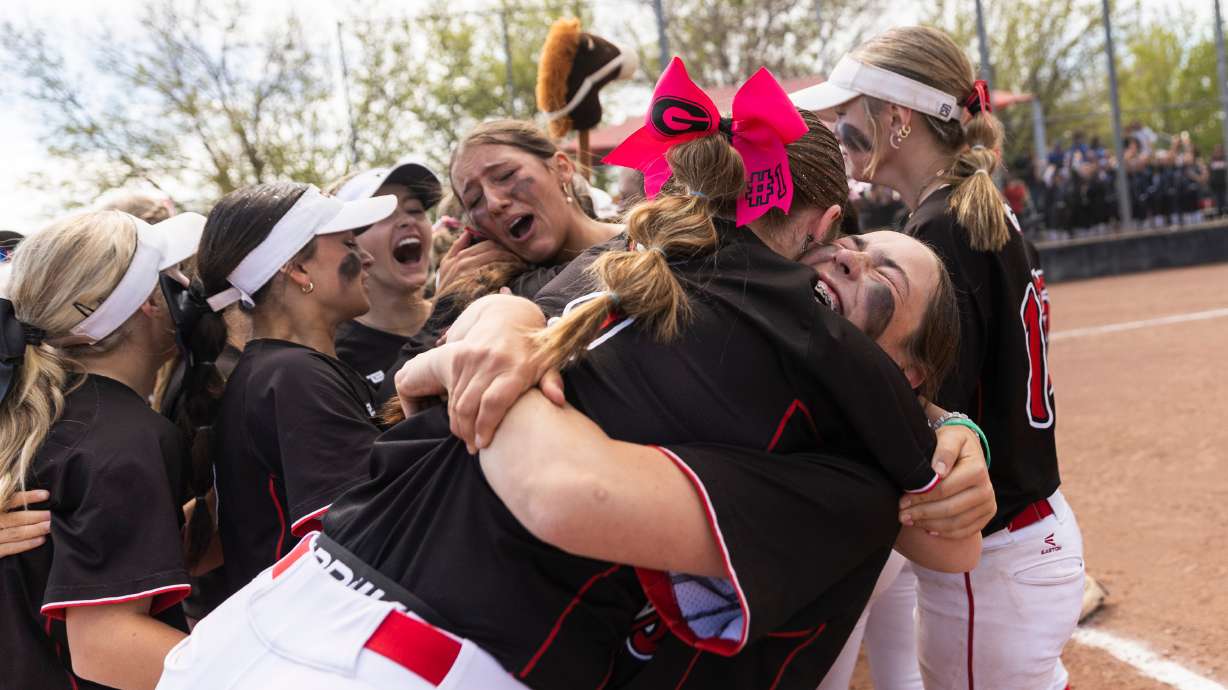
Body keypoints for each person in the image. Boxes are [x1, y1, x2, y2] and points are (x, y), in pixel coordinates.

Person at [157, 61, 994, 690]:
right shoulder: (619, 282)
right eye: (847, 248)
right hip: (379, 640)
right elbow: (426, 391)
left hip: (314, 622)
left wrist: (950, 434)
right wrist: (497, 329)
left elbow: (492, 436)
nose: (842, 267)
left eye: (879, 278)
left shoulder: (776, 370)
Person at [793, 25, 1085, 690]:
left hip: (995, 548)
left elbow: (917, 405)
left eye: (848, 114)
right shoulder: (966, 209)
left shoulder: (936, 230)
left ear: (896, 120)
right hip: (1023, 535)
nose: (839, 130)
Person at [0, 209, 205, 690]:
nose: (185, 286)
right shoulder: (124, 436)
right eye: (171, 274)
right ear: (148, 303)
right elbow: (106, 647)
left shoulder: (38, 412)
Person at [188, 182, 395, 600]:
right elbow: (368, 537)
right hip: (320, 636)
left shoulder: (280, 370)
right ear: (299, 269)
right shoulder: (294, 378)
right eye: (351, 243)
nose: (368, 257)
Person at [376, 119, 624, 400]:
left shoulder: (658, 240)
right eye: (475, 200)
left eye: (506, 176)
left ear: (562, 168)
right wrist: (446, 306)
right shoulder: (492, 299)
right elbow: (391, 408)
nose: (494, 203)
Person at [325, 159, 443, 389]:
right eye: (383, 214)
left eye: (415, 210)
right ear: (350, 242)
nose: (408, 221)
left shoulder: (466, 314)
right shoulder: (337, 356)